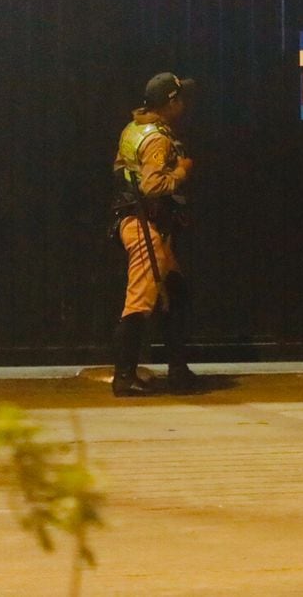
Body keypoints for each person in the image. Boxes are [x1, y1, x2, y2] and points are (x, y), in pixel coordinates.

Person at [109, 71, 198, 397]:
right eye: (181, 98)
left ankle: (178, 371)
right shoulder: (158, 138)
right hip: (143, 224)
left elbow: (121, 170)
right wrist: (182, 171)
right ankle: (124, 378)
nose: (185, 104)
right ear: (171, 102)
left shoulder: (134, 128)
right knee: (139, 301)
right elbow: (152, 185)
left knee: (175, 293)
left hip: (142, 222)